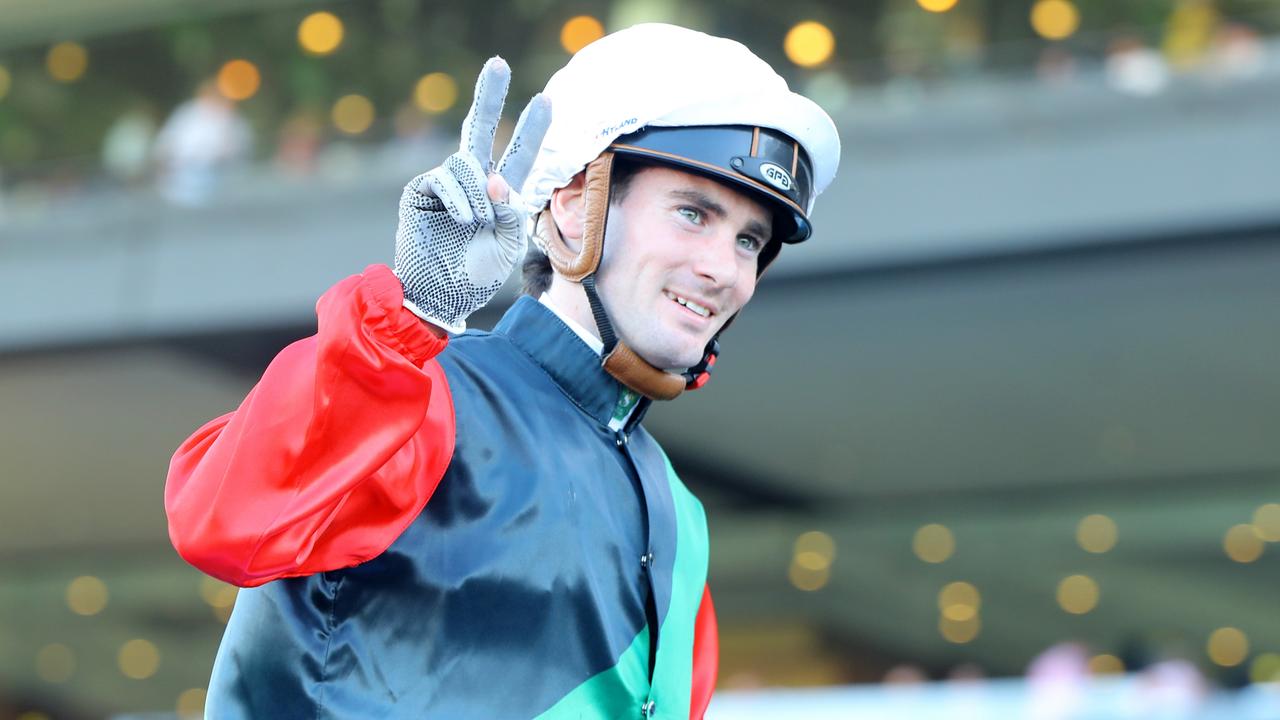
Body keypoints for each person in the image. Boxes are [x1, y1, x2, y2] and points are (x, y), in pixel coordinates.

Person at [165, 23, 839, 719]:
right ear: (578, 208)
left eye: (749, 241)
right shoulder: (420, 393)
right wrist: (413, 311)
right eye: (693, 214)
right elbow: (222, 523)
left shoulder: (682, 516)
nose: (723, 269)